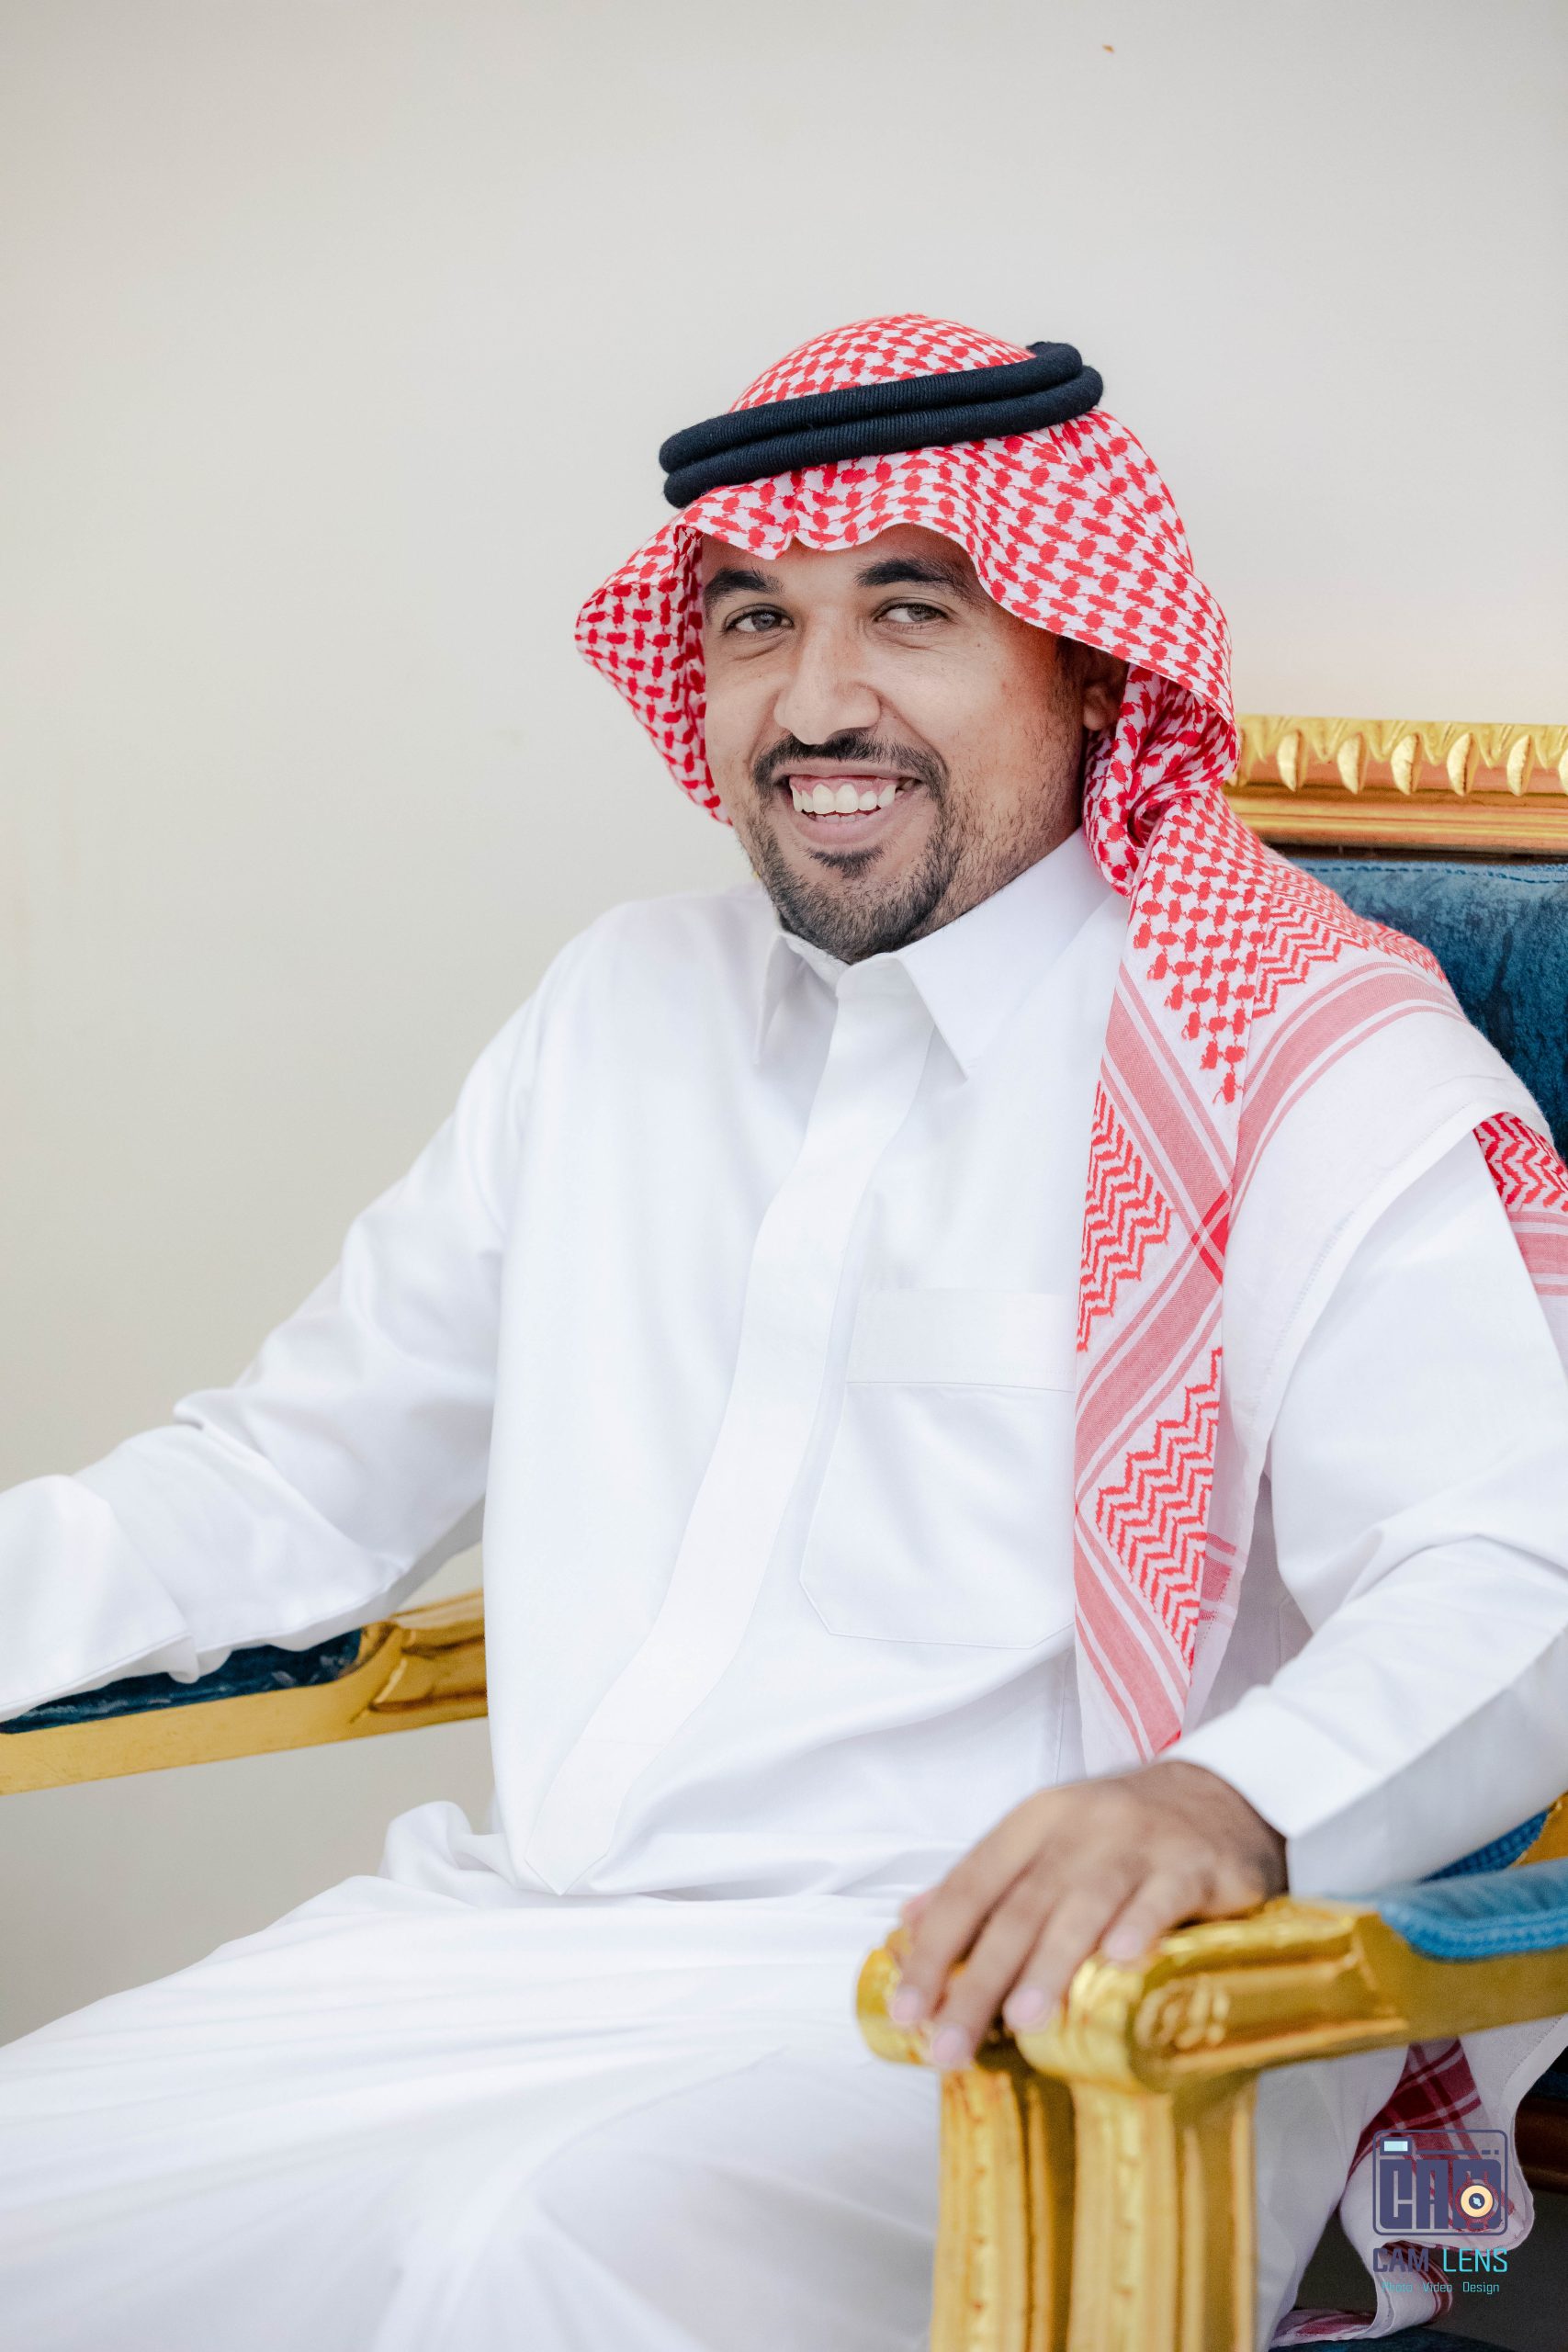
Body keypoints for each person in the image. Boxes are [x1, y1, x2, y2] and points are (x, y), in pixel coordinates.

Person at [2, 313, 1566, 2352]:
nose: (815, 701)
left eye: (910, 609)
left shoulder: (1293, 1052)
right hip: (497, 1955)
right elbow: (290, 1479)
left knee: (521, 2256)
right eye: (753, 618)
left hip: (1009, 2011)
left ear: (1091, 663)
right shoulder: (618, 1012)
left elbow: (1509, 1569)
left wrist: (1220, 1802)